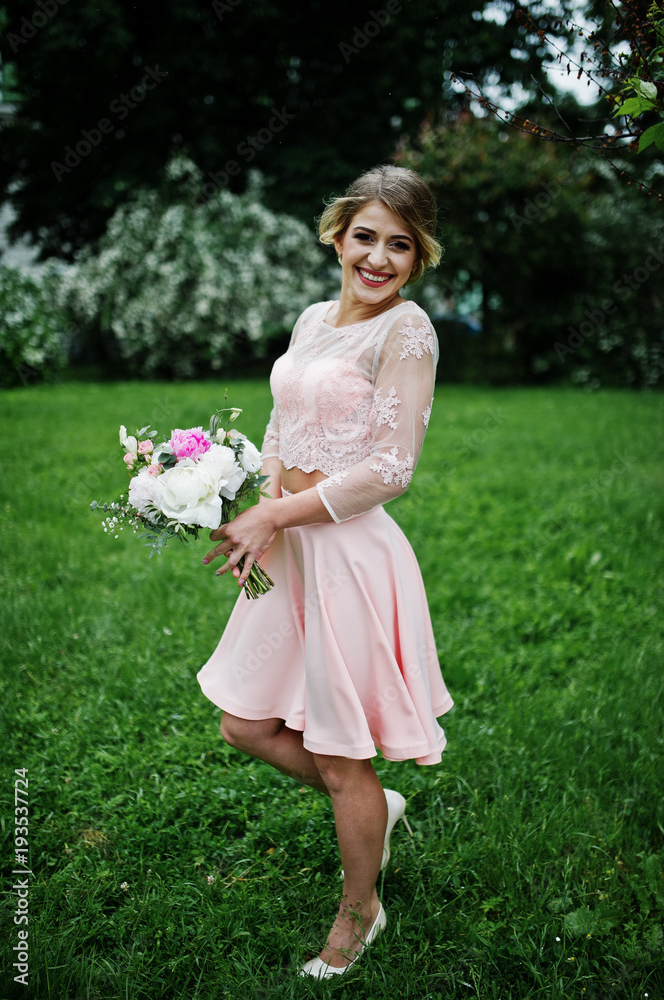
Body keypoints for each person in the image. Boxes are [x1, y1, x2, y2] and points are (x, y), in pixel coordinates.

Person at [197, 164, 454, 979]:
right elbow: (282, 423)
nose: (377, 258)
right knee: (245, 723)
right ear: (337, 235)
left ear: (418, 258)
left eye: (398, 245)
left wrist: (279, 514)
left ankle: (359, 914)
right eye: (365, 236)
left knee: (342, 754)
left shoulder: (405, 332)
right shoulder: (314, 317)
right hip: (292, 550)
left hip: (348, 553)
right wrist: (256, 513)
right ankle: (376, 809)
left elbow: (391, 468)